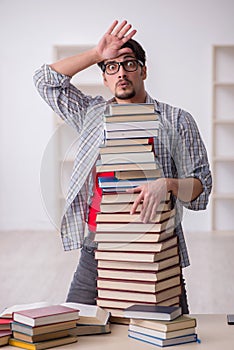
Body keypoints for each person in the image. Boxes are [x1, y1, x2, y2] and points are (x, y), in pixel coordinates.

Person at [33, 20, 212, 314]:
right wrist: (96, 53)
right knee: (78, 330)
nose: (122, 73)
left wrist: (166, 184)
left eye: (129, 64)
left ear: (143, 70)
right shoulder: (92, 115)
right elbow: (45, 81)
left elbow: (201, 187)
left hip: (156, 249)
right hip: (97, 249)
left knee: (165, 337)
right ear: (104, 78)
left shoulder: (178, 120)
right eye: (111, 67)